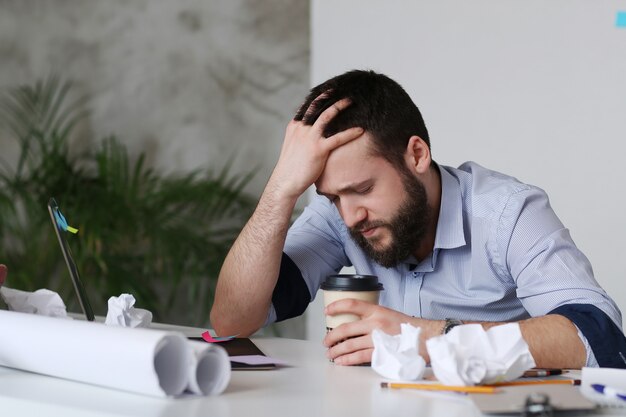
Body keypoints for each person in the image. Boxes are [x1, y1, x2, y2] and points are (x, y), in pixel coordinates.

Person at [210, 70, 626, 369]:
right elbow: (234, 321)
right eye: (332, 196)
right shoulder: (339, 215)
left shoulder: (507, 213)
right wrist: (280, 189)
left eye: (362, 189)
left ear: (416, 155)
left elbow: (602, 339)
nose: (351, 215)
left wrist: (426, 336)